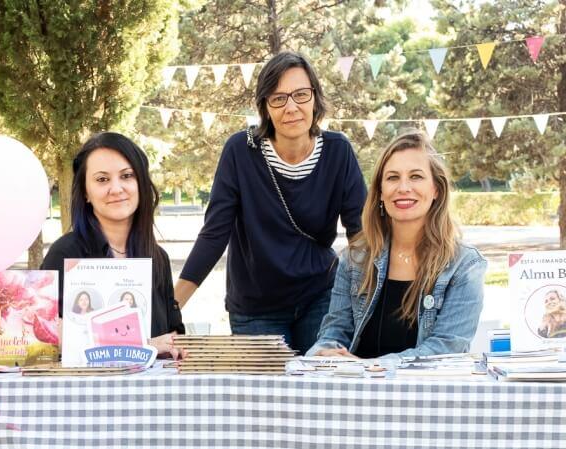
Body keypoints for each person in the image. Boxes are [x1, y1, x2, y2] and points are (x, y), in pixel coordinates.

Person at [175, 51, 367, 355]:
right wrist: (171, 309)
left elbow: (362, 235)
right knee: (265, 400)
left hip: (321, 299)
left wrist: (362, 300)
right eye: (278, 98)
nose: (291, 107)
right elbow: (214, 234)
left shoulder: (338, 151)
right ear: (265, 106)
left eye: (301, 95)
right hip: (256, 308)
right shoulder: (240, 152)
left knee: (321, 393)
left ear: (315, 98)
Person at [308, 130, 487, 359]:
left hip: (422, 393)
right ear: (381, 192)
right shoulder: (355, 258)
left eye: (416, 176)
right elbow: (334, 332)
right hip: (356, 389)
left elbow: (446, 349)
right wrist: (326, 352)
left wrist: (371, 368)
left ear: (436, 190)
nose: (403, 188)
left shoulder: (465, 265)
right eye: (392, 177)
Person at [41, 132, 185, 358]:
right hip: (88, 389)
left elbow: (172, 334)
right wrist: (144, 345)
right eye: (102, 179)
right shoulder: (64, 254)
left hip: (151, 391)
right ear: (86, 193)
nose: (116, 189)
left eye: (127, 176)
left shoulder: (158, 258)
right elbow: (47, 337)